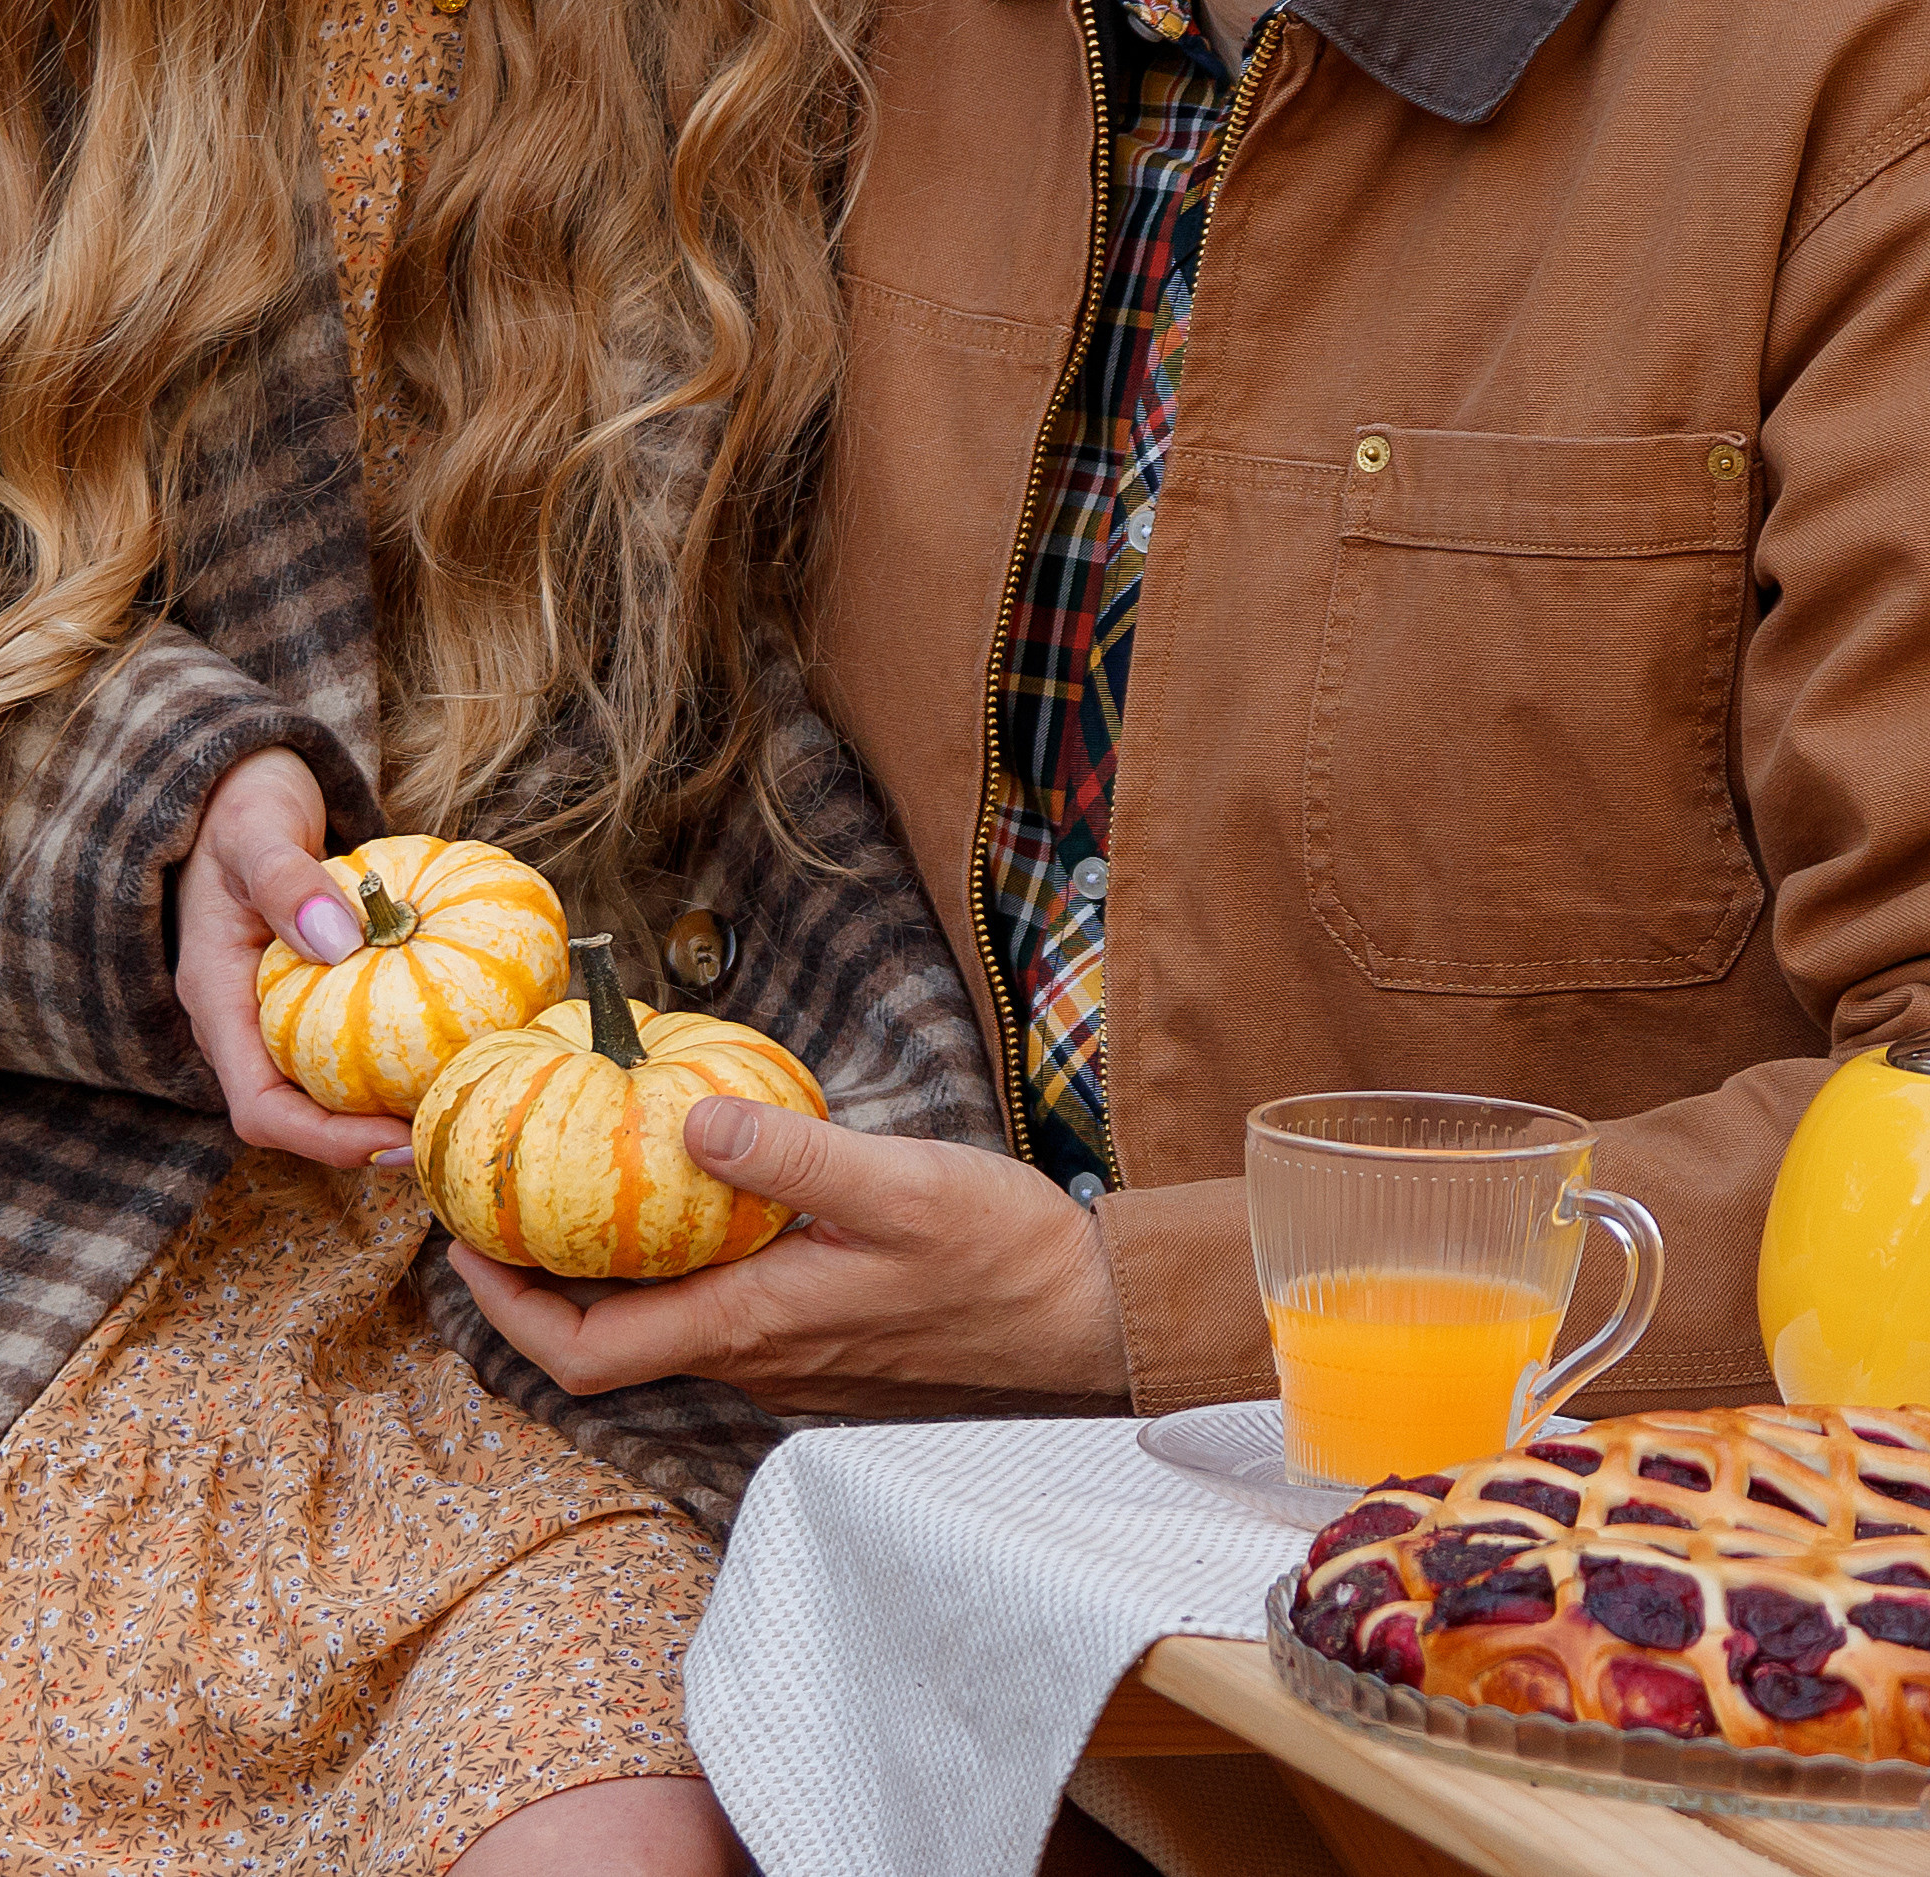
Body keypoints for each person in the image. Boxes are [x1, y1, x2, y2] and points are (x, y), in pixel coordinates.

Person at [451, 0, 1930, 1856]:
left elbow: (1926, 1118)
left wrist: (1122, 1307)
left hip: (1571, 1695)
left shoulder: (1848, 85)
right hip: (823, 1523)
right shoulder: (823, 48)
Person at [0, 3, 1007, 1874]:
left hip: (595, 1218)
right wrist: (159, 815)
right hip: (10, 1233)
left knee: (639, 1812)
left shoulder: (801, 55)